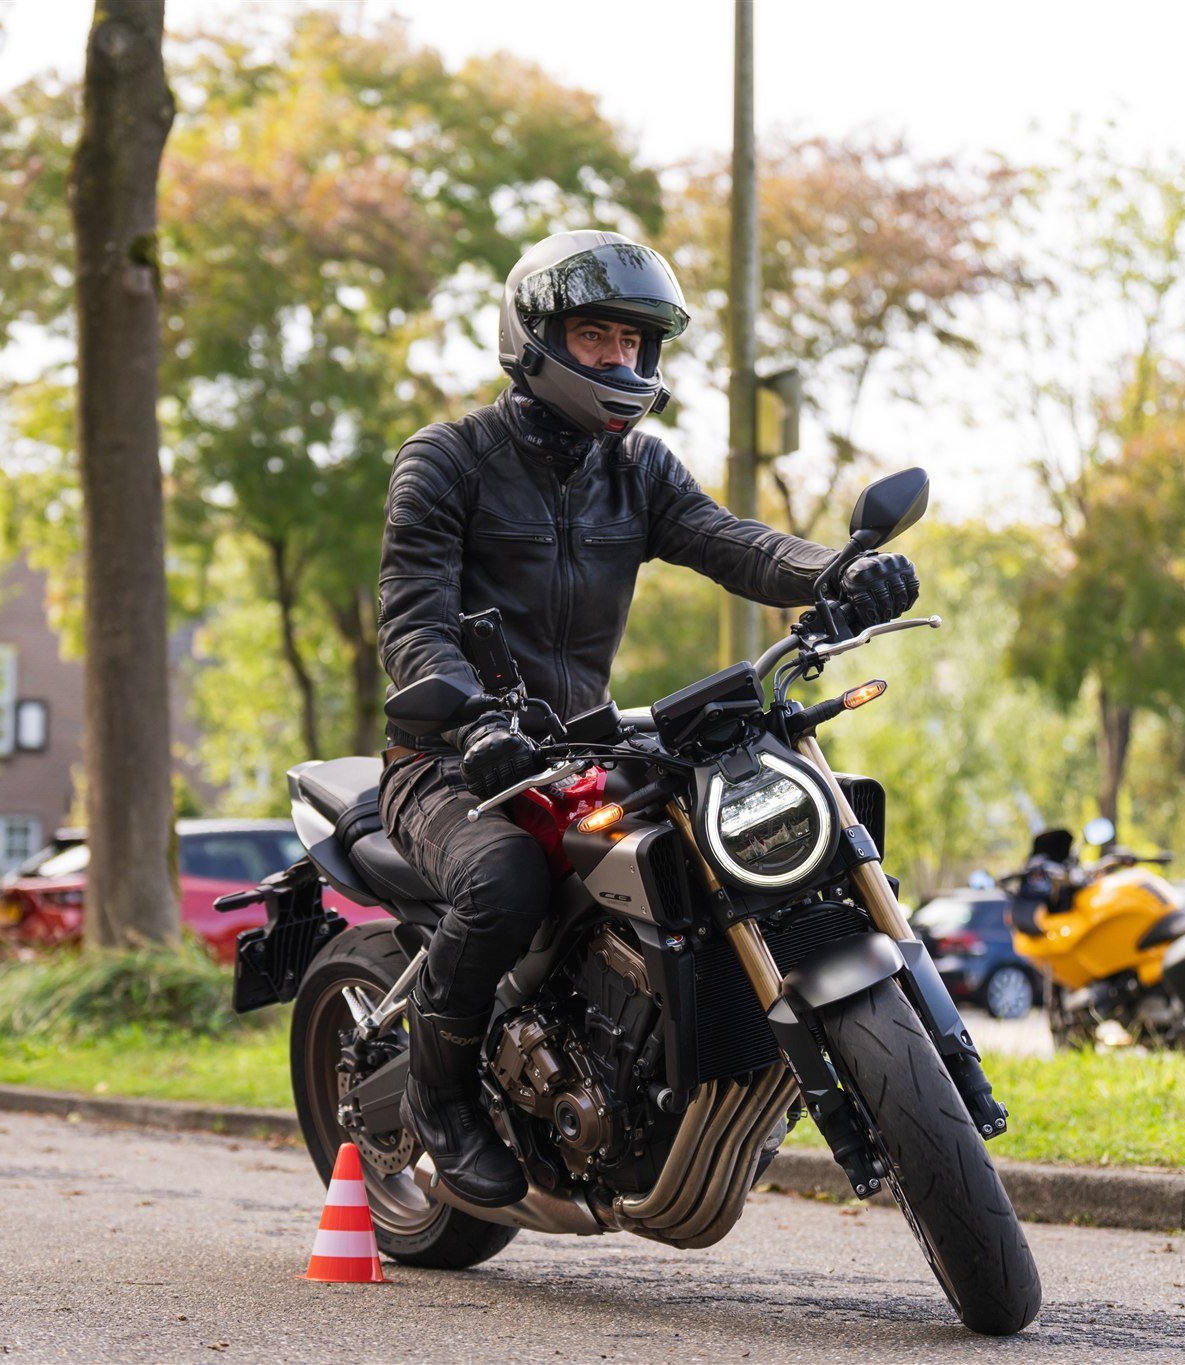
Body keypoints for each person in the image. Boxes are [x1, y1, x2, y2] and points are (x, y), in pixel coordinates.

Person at [374, 230, 920, 1207]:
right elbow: (412, 622)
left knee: (708, 858)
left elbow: (730, 542)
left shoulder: (639, 470)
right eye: (596, 337)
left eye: (634, 343)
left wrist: (833, 573)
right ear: (534, 337)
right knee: (499, 883)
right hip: (450, 761)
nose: (620, 362)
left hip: (577, 749)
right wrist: (467, 719)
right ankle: (439, 1099)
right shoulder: (446, 461)